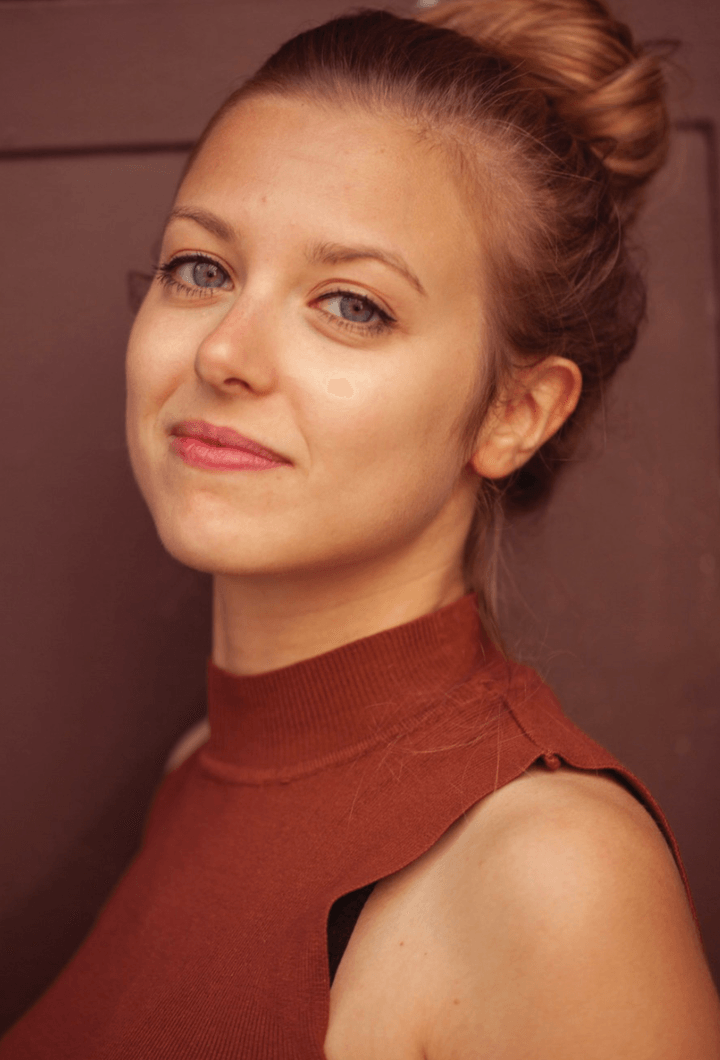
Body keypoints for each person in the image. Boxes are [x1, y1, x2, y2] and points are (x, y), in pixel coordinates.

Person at [3, 1, 720, 1057]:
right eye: (202, 269)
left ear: (514, 413)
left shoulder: (553, 874)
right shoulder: (203, 764)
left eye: (352, 304)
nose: (224, 354)